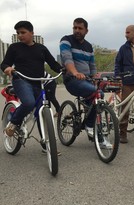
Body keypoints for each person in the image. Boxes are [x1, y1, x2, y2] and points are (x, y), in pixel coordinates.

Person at [0, 20, 63, 154]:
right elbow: (4, 64)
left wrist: (63, 69)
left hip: (38, 82)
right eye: (18, 33)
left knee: (43, 111)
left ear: (32, 33)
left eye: (23, 32)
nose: (20, 35)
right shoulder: (14, 48)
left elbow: (53, 64)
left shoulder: (41, 48)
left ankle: (46, 144)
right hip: (21, 80)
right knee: (29, 103)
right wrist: (8, 69)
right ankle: (13, 123)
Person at [60, 17, 97, 138]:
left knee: (100, 95)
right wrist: (75, 72)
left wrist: (95, 76)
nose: (77, 30)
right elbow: (67, 58)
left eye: (80, 28)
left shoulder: (89, 46)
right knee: (95, 92)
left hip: (87, 80)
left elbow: (92, 65)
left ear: (86, 31)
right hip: (73, 80)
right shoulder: (66, 40)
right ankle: (90, 125)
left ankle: (90, 118)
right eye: (75, 27)